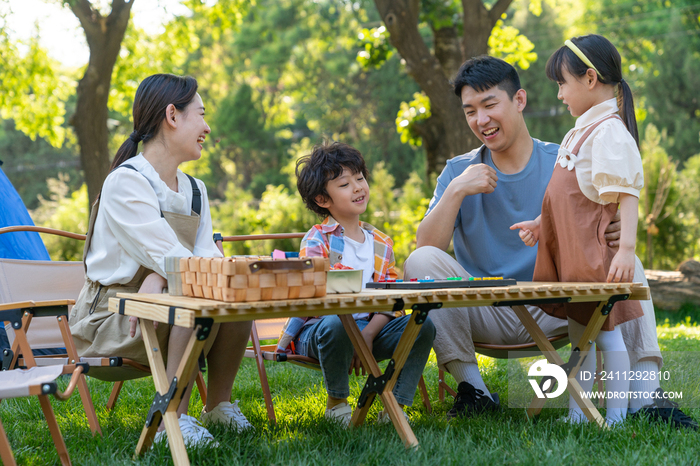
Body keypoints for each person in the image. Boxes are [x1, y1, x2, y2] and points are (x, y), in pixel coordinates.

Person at [404, 56, 697, 429]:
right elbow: (425, 246)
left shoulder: (567, 159)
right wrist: (458, 190)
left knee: (630, 265)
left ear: (520, 100)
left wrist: (614, 232)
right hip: (484, 309)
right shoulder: (458, 170)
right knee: (421, 261)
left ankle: (646, 396)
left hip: (557, 302)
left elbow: (611, 208)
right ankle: (474, 393)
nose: (481, 120)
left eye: (490, 104)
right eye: (470, 111)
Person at [69, 74, 254, 447]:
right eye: (200, 115)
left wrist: (160, 277)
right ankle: (174, 417)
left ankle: (218, 405)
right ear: (172, 115)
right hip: (110, 320)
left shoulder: (195, 190)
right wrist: (161, 275)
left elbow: (202, 263)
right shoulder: (127, 182)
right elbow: (174, 260)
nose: (207, 126)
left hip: (160, 306)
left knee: (235, 291)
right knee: (189, 294)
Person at [510, 34, 643, 426]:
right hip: (572, 256)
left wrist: (625, 251)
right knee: (580, 334)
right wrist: (540, 223)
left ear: (589, 78)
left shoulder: (608, 132)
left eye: (562, 84)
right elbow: (572, 197)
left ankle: (616, 418)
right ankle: (579, 414)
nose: (560, 94)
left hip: (593, 257)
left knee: (605, 335)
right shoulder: (580, 131)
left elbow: (626, 194)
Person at [278, 141, 435, 426]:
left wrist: (369, 334)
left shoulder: (382, 243)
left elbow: (392, 298)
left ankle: (395, 405)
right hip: (321, 331)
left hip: (368, 331)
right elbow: (315, 294)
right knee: (337, 323)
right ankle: (337, 402)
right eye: (344, 184)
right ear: (323, 200)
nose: (358, 187)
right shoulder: (316, 240)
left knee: (423, 324)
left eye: (360, 178)